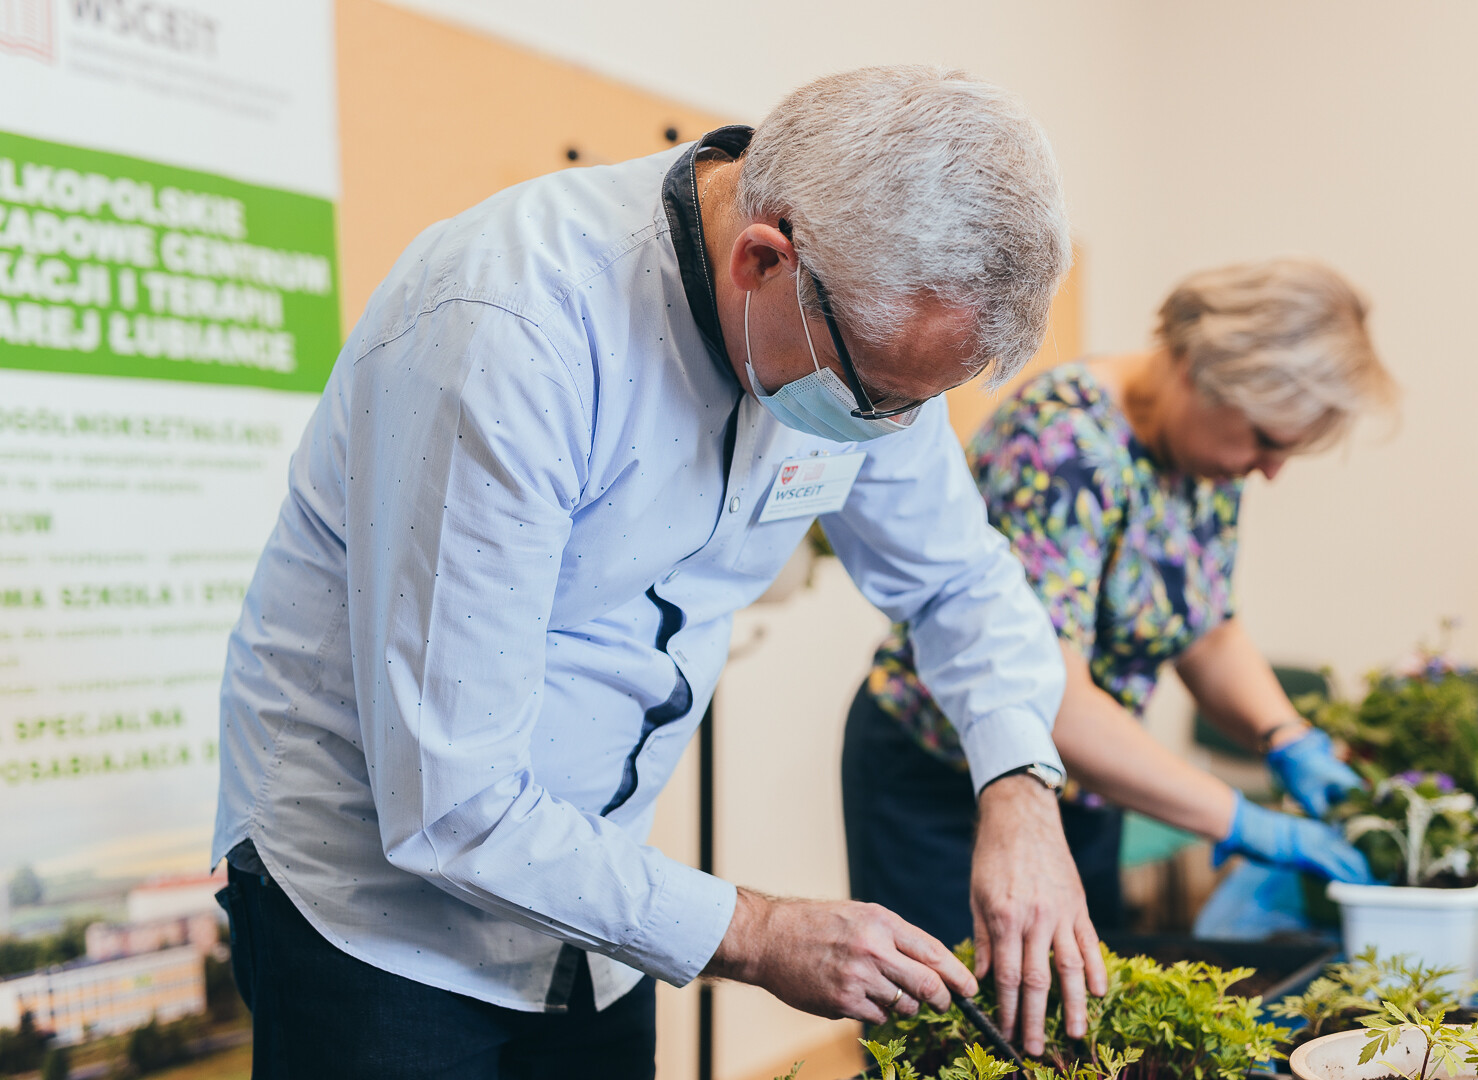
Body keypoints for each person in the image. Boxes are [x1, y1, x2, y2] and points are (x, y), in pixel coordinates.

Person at [211, 66, 1103, 1079]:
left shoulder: (860, 327)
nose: (892, 428)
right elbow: (453, 802)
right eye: (879, 396)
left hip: (594, 904)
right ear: (764, 259)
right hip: (375, 914)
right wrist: (759, 931)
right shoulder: (511, 326)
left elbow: (956, 579)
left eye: (919, 401)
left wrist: (1021, 788)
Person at [844, 258, 1398, 947]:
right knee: (956, 1006)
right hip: (945, 785)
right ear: (1201, 372)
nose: (1271, 471)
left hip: (1085, 788)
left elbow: (1206, 628)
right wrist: (1238, 819)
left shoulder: (1203, 458)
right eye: (1265, 441)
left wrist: (1286, 737)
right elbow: (1050, 697)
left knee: (1075, 996)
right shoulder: (1062, 443)